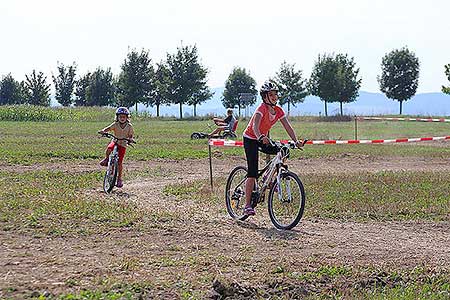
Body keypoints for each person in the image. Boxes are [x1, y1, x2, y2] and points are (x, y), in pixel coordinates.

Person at [242, 81, 305, 216]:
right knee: (252, 172)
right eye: (271, 94)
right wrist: (259, 137)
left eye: (276, 94)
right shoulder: (261, 109)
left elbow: (288, 126)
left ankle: (268, 178)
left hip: (263, 138)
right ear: (265, 97)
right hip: (251, 138)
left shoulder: (278, 110)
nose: (275, 97)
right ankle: (247, 205)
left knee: (284, 150)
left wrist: (296, 141)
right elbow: (255, 126)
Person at [98, 107, 134, 188]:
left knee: (120, 162)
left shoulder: (129, 126)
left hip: (123, 144)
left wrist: (130, 139)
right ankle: (107, 159)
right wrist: (103, 131)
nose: (122, 118)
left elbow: (131, 135)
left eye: (124, 117)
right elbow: (108, 128)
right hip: (115, 141)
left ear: (127, 118)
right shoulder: (115, 124)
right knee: (109, 148)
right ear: (117, 117)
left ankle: (119, 179)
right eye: (120, 117)